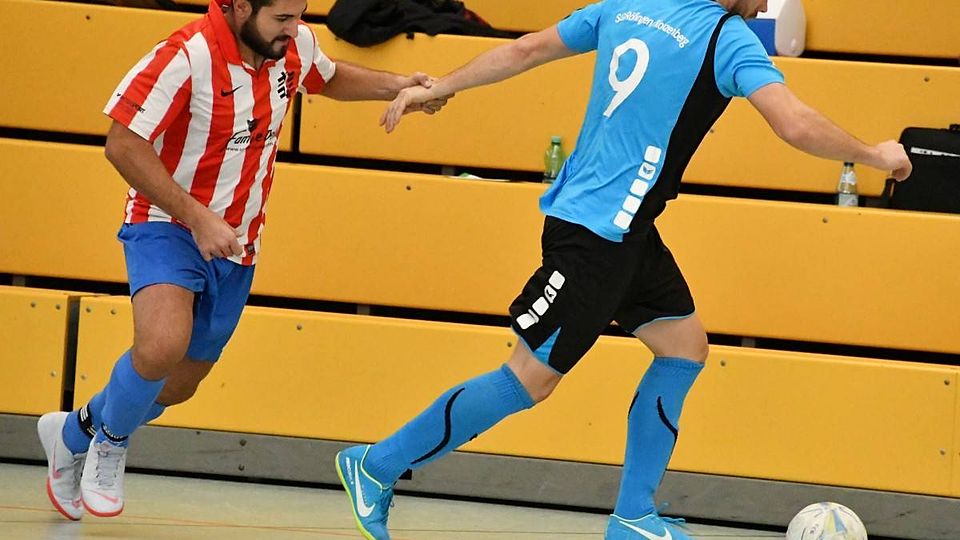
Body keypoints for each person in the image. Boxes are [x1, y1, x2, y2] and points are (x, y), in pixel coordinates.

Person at [336, 0, 912, 539]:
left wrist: (442, 85)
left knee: (684, 347)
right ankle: (376, 464)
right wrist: (873, 155)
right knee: (526, 380)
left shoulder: (628, 4)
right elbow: (796, 125)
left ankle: (634, 516)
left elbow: (525, 49)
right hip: (594, 238)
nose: (766, 6)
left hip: (627, 230)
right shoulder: (726, 38)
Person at [36, 0, 448, 521]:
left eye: (299, 15)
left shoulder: (292, 45)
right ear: (239, 8)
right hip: (167, 222)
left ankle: (73, 434)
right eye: (282, 19)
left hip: (238, 241)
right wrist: (197, 217)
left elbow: (329, 76)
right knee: (162, 346)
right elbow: (122, 144)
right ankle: (110, 445)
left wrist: (400, 87)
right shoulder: (185, 56)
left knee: (180, 384)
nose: (295, 29)